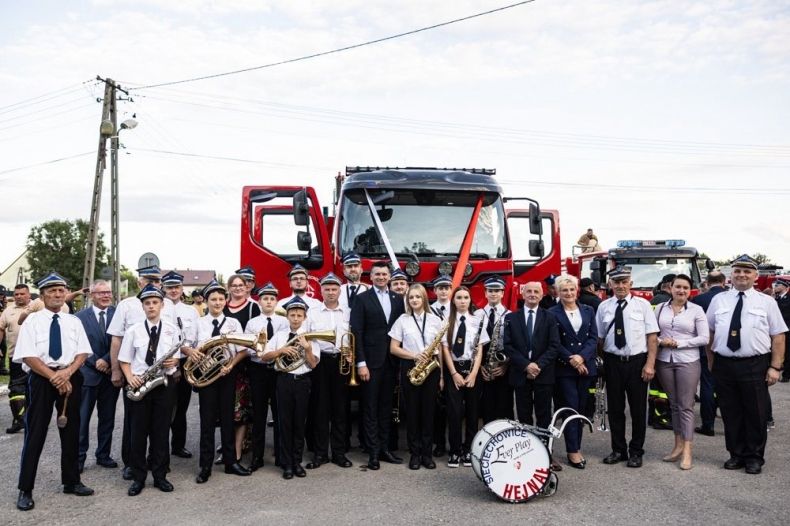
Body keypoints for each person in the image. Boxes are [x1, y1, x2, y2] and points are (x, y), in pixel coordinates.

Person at [13, 272, 94, 511]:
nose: (58, 294)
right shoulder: (32, 321)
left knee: (71, 431)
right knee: (35, 432)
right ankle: (25, 489)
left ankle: (72, 481)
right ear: (43, 295)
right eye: (52, 291)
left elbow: (82, 352)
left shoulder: (74, 321)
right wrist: (55, 377)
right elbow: (28, 355)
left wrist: (67, 373)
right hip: (41, 378)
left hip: (70, 376)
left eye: (61, 290)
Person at [706, 255, 787, 475]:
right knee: (731, 412)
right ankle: (736, 454)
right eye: (738, 271)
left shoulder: (767, 302)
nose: (742, 275)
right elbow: (710, 332)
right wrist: (713, 363)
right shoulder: (719, 300)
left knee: (756, 413)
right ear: (731, 276)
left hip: (754, 364)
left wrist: (775, 367)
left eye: (747, 272)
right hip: (724, 364)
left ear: (755, 276)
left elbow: (778, 336)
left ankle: (754, 457)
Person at [118, 284, 181, 496]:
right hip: (140, 383)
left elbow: (176, 359)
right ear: (142, 306)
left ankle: (160, 475)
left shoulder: (172, 329)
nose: (151, 306)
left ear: (162, 305)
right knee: (138, 433)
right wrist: (130, 378)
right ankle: (138, 477)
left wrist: (174, 361)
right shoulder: (133, 330)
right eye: (147, 303)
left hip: (163, 384)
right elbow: (124, 360)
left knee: (161, 432)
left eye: (155, 302)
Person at [596, 266, 659, 468]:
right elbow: (599, 338)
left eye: (624, 282)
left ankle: (636, 451)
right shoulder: (604, 307)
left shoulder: (643, 305)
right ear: (610, 285)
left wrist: (650, 364)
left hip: (637, 362)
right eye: (617, 282)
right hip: (613, 362)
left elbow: (652, 337)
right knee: (615, 409)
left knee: (639, 410)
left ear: (631, 284)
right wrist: (602, 363)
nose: (621, 286)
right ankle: (618, 450)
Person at [107, 265, 166, 481]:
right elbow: (116, 339)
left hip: (160, 378)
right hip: (136, 376)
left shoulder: (166, 308)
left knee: (160, 427)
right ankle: (132, 465)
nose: (152, 283)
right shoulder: (127, 305)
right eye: (147, 279)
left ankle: (158, 467)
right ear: (139, 282)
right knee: (134, 426)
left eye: (156, 279)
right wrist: (118, 372)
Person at [350, 261, 405, 470]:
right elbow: (357, 332)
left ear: (389, 277)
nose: (381, 277)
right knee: (370, 408)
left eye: (384, 274)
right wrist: (360, 363)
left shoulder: (398, 299)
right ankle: (372, 453)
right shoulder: (361, 298)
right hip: (370, 363)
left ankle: (384, 449)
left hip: (391, 362)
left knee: (385, 408)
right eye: (377, 274)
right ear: (370, 277)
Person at [194, 280, 251, 484]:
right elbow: (187, 346)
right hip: (206, 376)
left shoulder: (233, 323)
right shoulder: (199, 323)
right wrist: (193, 352)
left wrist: (232, 365)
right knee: (207, 422)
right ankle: (205, 466)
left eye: (220, 299)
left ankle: (230, 462)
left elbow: (243, 350)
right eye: (213, 299)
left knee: (228, 419)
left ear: (225, 301)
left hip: (227, 375)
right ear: (206, 301)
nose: (217, 303)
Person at [261, 297, 320, 479]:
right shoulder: (279, 335)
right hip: (284, 381)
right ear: (287, 316)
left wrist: (308, 349)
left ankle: (297, 462)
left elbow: (313, 365)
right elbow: (265, 356)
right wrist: (281, 351)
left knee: (299, 423)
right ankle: (287, 464)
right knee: (284, 423)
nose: (295, 318)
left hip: (302, 381)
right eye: (292, 315)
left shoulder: (309, 337)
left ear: (304, 317)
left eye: (299, 315)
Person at [654, 274, 709, 470]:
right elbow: (652, 333)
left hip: (687, 361)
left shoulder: (696, 310)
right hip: (664, 361)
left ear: (690, 290)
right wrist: (661, 342)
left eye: (685, 287)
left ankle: (687, 450)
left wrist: (679, 343)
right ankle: (677, 446)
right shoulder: (660, 308)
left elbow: (704, 338)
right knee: (674, 405)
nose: (681, 291)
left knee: (686, 406)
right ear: (670, 288)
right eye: (678, 287)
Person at [504, 281, 560, 469]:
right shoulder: (511, 318)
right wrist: (526, 365)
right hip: (521, 374)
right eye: (529, 291)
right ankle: (527, 453)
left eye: (536, 291)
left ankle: (545, 454)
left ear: (542, 294)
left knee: (544, 415)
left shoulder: (550, 317)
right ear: (522, 293)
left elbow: (554, 346)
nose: (532, 294)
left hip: (544, 374)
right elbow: (508, 347)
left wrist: (537, 365)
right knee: (524, 416)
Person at [389, 283, 444, 470]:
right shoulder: (402, 320)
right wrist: (414, 355)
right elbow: (393, 348)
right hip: (410, 367)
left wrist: (442, 374)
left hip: (432, 368)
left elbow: (441, 350)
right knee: (412, 413)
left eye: (417, 297)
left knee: (429, 413)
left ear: (424, 299)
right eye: (411, 297)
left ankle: (427, 455)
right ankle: (415, 454)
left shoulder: (435, 320)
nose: (414, 300)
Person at [548, 275, 598, 469]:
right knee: (571, 407)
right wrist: (572, 359)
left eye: (571, 289)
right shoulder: (551, 313)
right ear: (558, 292)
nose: (568, 293)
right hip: (564, 368)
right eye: (564, 290)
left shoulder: (588, 310)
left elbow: (593, 338)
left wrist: (582, 357)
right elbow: (554, 341)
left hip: (586, 366)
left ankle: (577, 445)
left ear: (577, 290)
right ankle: (573, 450)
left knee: (582, 407)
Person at [305, 273, 353, 469]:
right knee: (320, 410)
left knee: (341, 410)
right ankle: (321, 453)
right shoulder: (313, 312)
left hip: (342, 361)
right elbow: (308, 338)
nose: (331, 292)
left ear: (339, 291)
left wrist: (351, 354)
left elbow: (353, 335)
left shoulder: (349, 311)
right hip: (321, 362)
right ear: (321, 291)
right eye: (327, 289)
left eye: (334, 289)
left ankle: (339, 453)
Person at [76, 280, 120, 473]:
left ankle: (103, 455)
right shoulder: (79, 317)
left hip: (111, 375)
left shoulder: (119, 314)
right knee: (82, 419)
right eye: (101, 293)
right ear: (92, 295)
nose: (106, 296)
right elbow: (78, 343)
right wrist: (96, 361)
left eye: (108, 292)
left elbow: (122, 340)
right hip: (87, 375)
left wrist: (106, 360)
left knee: (107, 417)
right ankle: (78, 457)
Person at [442, 286, 489, 468]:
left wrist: (474, 374)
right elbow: (445, 349)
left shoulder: (477, 321)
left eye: (466, 297)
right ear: (453, 300)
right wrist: (453, 373)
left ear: (470, 300)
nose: (462, 301)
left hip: (471, 370)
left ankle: (469, 450)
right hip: (453, 368)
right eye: (459, 297)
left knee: (472, 412)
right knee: (454, 412)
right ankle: (454, 450)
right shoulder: (446, 321)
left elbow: (480, 350)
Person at [245, 282, 288, 470]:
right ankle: (257, 457)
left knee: (279, 414)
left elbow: (288, 344)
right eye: (265, 298)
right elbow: (247, 348)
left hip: (278, 370)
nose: (269, 302)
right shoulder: (252, 323)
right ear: (259, 301)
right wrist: (258, 349)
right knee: (259, 414)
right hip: (259, 370)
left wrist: (276, 352)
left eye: (272, 299)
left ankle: (280, 456)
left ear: (276, 301)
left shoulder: (283, 322)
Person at [159, 271, 200, 460]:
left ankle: (178, 445)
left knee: (182, 405)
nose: (173, 290)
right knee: (165, 406)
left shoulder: (191, 310)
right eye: (170, 287)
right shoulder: (159, 307)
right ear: (164, 288)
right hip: (166, 361)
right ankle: (160, 448)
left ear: (182, 289)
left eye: (176, 287)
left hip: (186, 362)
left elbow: (197, 337)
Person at [223, 274, 261, 465]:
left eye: (241, 285)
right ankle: (226, 446)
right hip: (221, 363)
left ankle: (240, 447)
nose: (238, 288)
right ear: (228, 288)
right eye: (234, 285)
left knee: (242, 409)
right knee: (225, 409)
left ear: (246, 288)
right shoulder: (221, 305)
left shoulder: (254, 306)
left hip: (244, 362)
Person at [690, 270, 727, 435]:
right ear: (724, 281)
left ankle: (708, 425)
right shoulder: (730, 297)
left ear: (707, 281)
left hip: (705, 348)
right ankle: (730, 422)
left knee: (707, 385)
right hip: (727, 349)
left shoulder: (698, 299)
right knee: (727, 387)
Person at [478, 277, 514, 423]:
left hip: (502, 368)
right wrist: (479, 367)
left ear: (502, 293)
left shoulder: (510, 315)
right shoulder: (477, 315)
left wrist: (506, 365)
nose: (493, 294)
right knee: (486, 409)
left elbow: (515, 344)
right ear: (485, 293)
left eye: (497, 291)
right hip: (483, 368)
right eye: (490, 291)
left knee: (505, 407)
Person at [0, 284, 32, 433]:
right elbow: (1, 329)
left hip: (36, 357)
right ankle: (19, 419)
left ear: (28, 295)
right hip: (15, 356)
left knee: (34, 388)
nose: (19, 296)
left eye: (22, 294)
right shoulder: (8, 311)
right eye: (17, 294)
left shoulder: (39, 307)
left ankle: (34, 418)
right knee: (16, 390)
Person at [430, 274, 452, 457]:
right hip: (438, 360)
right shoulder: (429, 310)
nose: (444, 291)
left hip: (457, 360)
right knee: (437, 406)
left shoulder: (460, 307)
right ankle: (438, 443)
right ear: (434, 290)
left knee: (454, 406)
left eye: (447, 287)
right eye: (440, 288)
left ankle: (455, 443)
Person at [773, 278, 790, 382]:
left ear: (785, 287)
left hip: (787, 329)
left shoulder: (788, 298)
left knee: (788, 352)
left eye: (778, 285)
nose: (775, 287)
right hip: (777, 330)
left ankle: (787, 375)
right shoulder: (776, 298)